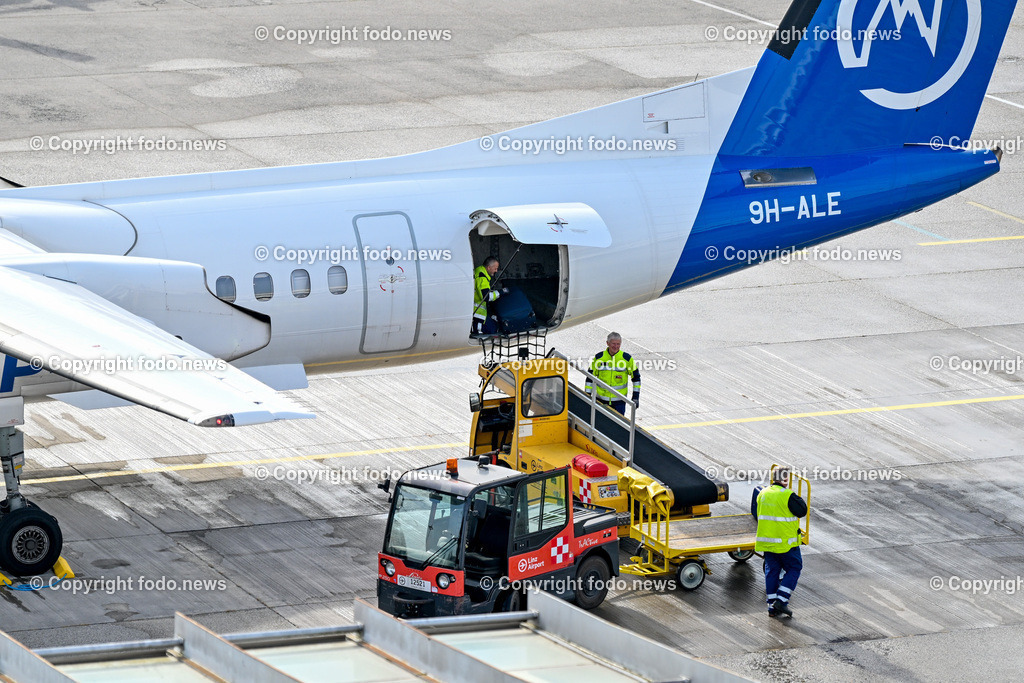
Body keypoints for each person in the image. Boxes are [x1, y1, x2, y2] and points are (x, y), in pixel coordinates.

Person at [751, 467, 808, 618]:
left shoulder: (762, 493)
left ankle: (771, 608)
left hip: (768, 543)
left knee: (772, 573)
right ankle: (782, 601)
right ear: (785, 480)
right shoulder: (787, 495)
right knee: (794, 568)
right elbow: (802, 510)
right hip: (786, 544)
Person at [586, 332, 640, 414]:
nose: (616, 346)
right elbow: (589, 377)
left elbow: (636, 378)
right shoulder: (599, 358)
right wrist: (587, 395)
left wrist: (635, 397)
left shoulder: (627, 359)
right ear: (607, 343)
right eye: (613, 344)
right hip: (601, 401)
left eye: (618, 344)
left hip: (619, 403)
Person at [472, 256, 507, 336]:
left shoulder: (479, 271)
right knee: (493, 330)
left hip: (476, 313)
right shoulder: (482, 278)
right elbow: (487, 297)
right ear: (488, 267)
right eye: (495, 268)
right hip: (478, 314)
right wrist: (501, 292)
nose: (496, 271)